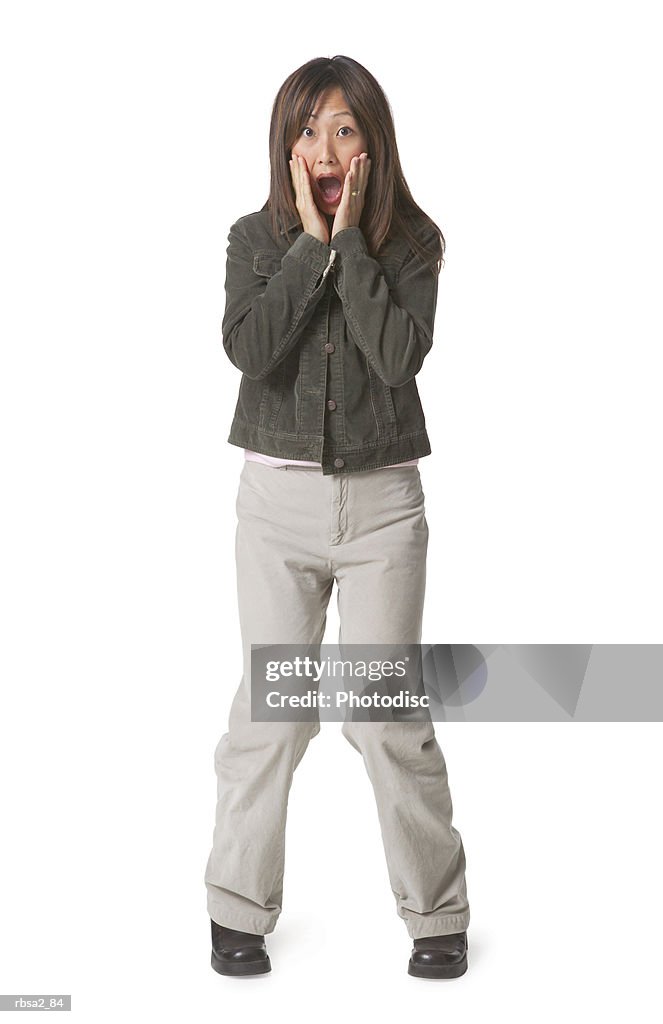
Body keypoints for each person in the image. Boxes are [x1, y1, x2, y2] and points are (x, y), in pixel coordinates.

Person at [204, 55, 470, 979]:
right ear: (285, 145)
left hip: (384, 510)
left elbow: (397, 361)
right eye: (308, 129)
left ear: (373, 143)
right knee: (274, 715)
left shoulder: (412, 245)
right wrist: (310, 247)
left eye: (344, 129)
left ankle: (436, 915)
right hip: (276, 505)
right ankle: (236, 907)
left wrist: (349, 244)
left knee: (384, 713)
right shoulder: (251, 239)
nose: (325, 148)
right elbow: (252, 349)